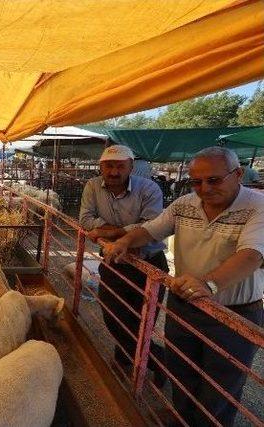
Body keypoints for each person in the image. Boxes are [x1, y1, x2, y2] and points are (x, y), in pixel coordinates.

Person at [103, 147, 264, 426]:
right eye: (196, 182)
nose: (204, 188)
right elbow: (151, 229)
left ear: (237, 174)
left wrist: (209, 283)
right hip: (185, 304)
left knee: (219, 386)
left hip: (232, 312)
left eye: (213, 180)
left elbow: (251, 255)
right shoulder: (185, 204)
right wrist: (126, 242)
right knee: (181, 371)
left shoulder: (257, 207)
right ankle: (182, 418)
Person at [79, 144, 167, 383]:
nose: (114, 171)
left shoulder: (149, 189)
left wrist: (109, 232)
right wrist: (128, 233)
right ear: (101, 167)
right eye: (109, 166)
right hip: (114, 261)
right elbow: (86, 219)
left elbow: (151, 226)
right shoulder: (93, 186)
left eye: (120, 166)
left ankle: (125, 360)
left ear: (131, 167)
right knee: (113, 316)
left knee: (140, 320)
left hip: (149, 263)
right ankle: (160, 361)